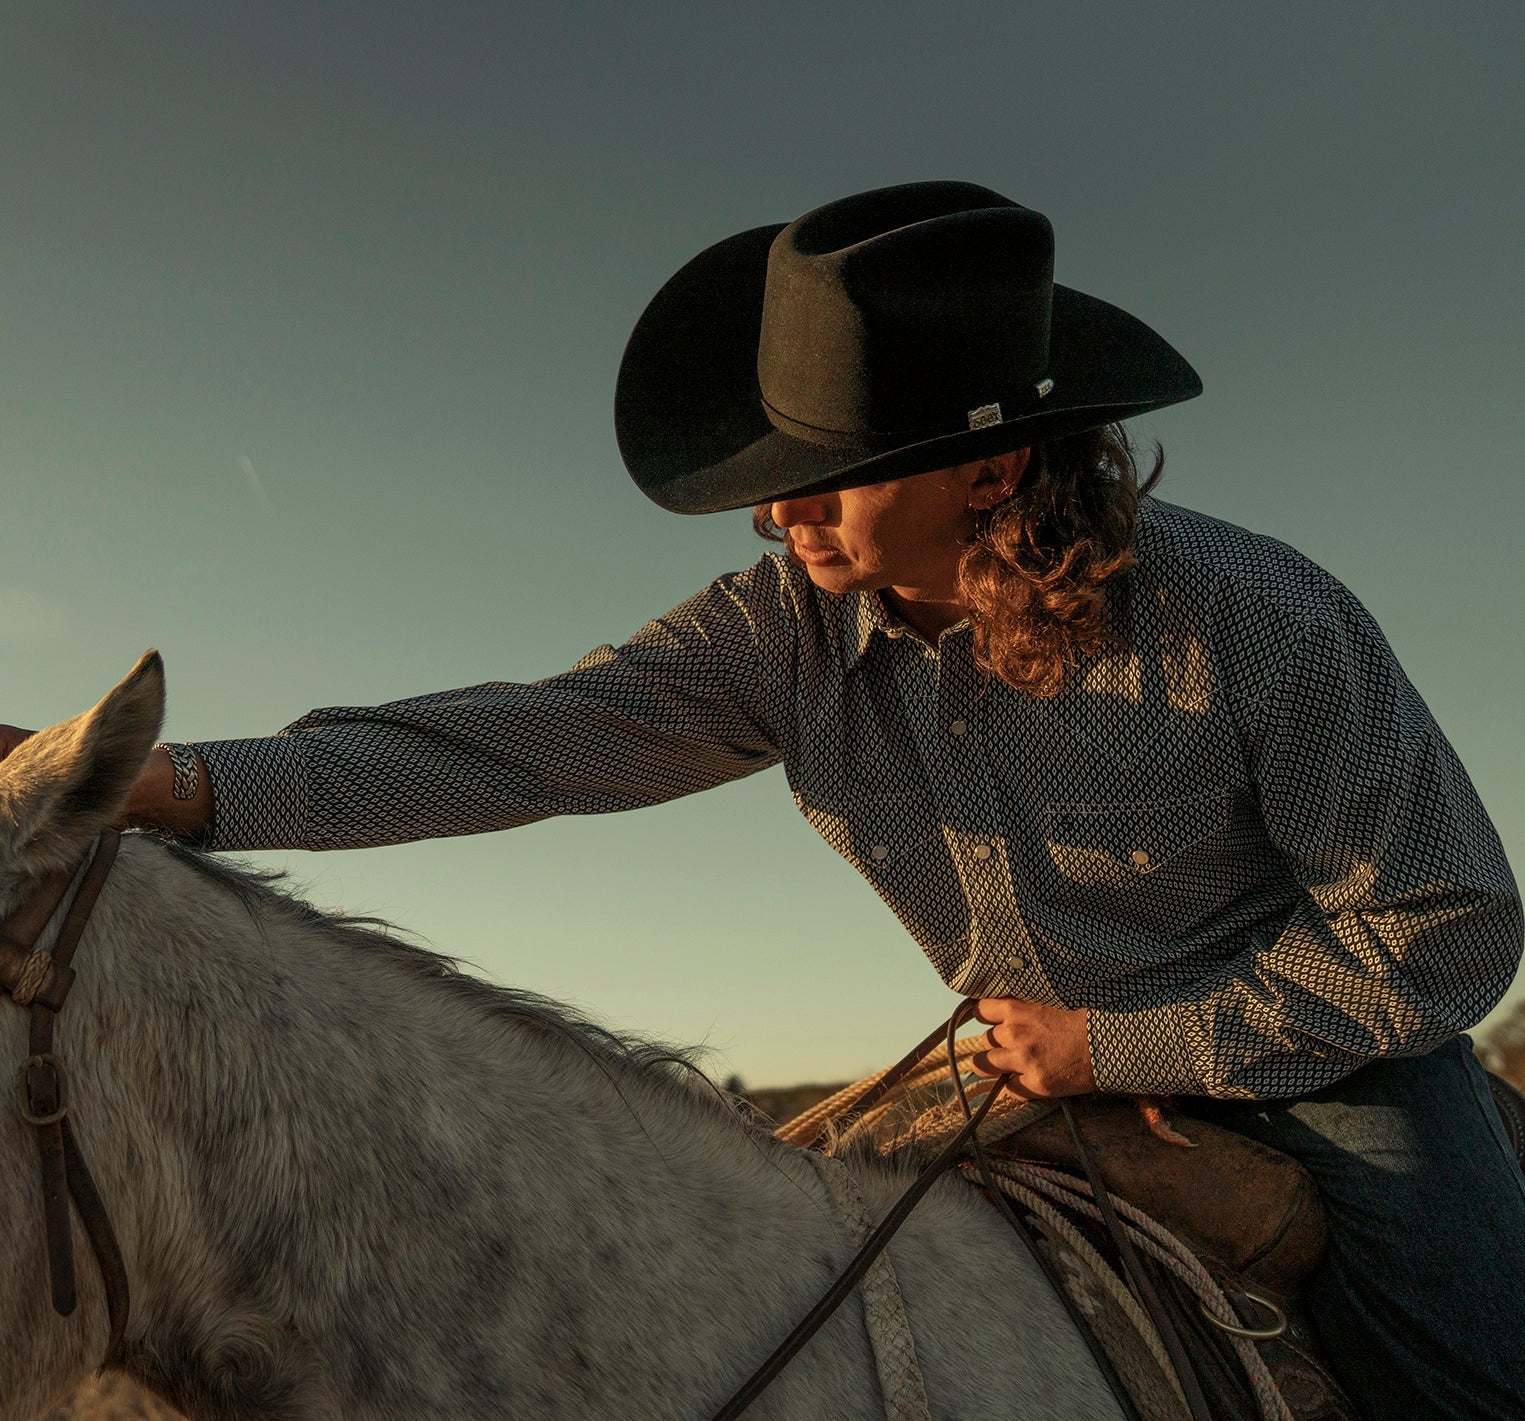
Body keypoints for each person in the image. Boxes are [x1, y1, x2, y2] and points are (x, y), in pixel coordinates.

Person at [12, 181, 1524, 1417]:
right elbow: (520, 742)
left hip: (1323, 1065)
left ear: (988, 476)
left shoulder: (1256, 617)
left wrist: (1110, 1041)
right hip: (1015, 1058)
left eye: (827, 473)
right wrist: (172, 781)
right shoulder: (776, 631)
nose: (770, 509)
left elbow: (1443, 933)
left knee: (1471, 1384)